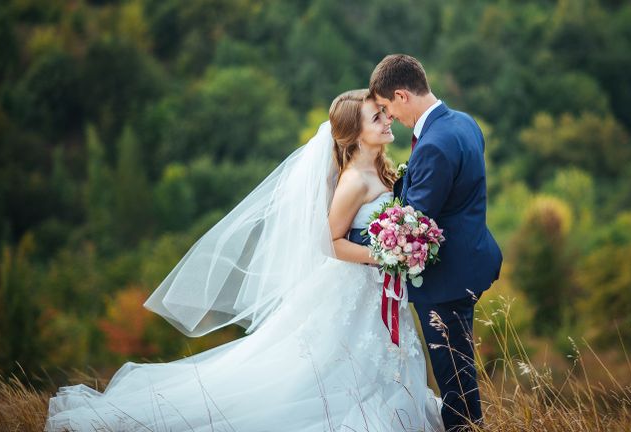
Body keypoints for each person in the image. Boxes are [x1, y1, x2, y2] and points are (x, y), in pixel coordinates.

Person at [44, 89, 442, 432]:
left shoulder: (381, 170)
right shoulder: (354, 180)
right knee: (320, 375)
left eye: (386, 113)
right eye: (378, 116)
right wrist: (384, 255)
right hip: (358, 289)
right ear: (355, 132)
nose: (388, 119)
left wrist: (399, 251)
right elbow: (328, 242)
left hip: (379, 292)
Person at [369, 54, 503, 431]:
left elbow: (411, 225)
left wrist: (360, 236)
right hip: (471, 262)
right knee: (461, 374)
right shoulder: (464, 122)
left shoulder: (433, 145)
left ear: (401, 94)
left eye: (386, 107)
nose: (389, 116)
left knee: (455, 385)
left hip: (444, 281)